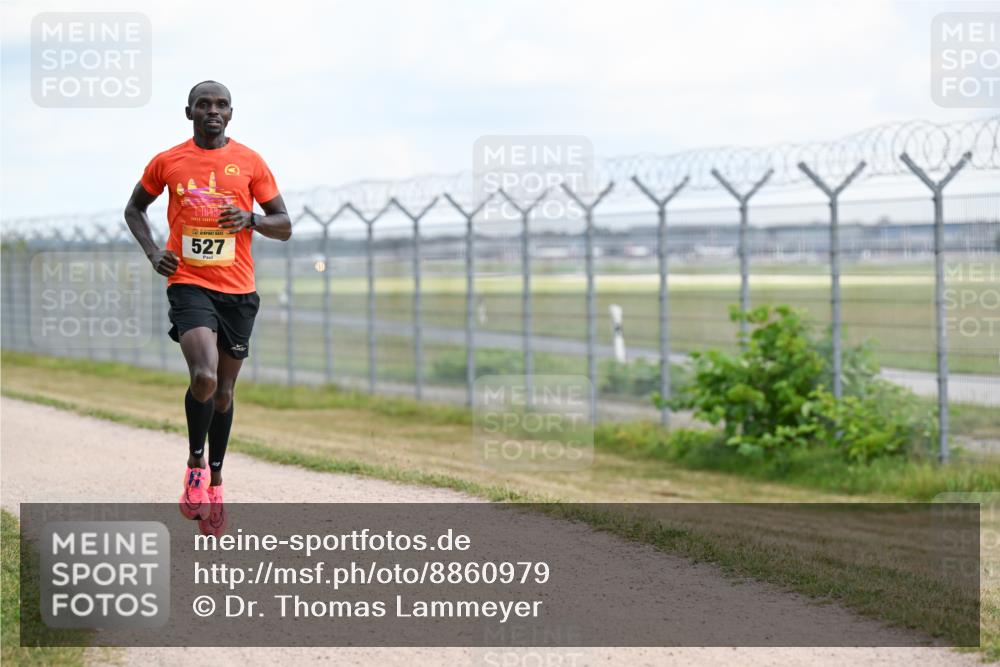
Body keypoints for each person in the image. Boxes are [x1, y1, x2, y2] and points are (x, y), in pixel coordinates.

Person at [124, 80, 291, 536]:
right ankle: (195, 462)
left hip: (238, 291)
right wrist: (153, 252)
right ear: (189, 112)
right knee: (204, 376)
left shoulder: (251, 162)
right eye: (204, 104)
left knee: (224, 394)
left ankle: (215, 482)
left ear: (231, 114)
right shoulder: (168, 162)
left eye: (220, 105)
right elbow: (134, 209)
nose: (212, 111)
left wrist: (252, 218)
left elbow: (285, 225)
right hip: (188, 283)